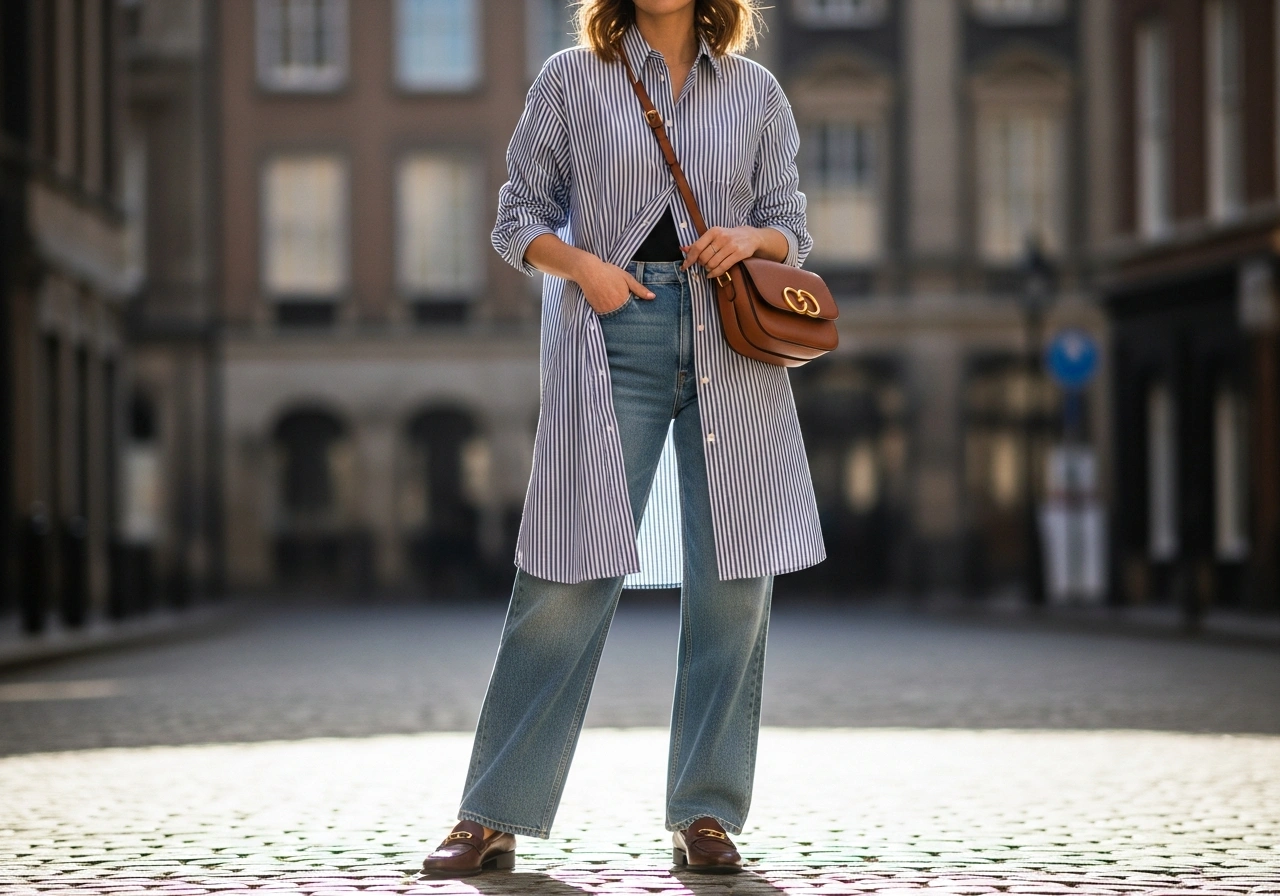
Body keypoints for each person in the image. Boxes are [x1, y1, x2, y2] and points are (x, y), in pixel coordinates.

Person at [420, 0, 825, 878]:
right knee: (566, 572)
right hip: (613, 331)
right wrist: (585, 269)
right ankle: (490, 813)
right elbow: (516, 214)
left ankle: (707, 814)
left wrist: (750, 237)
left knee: (734, 582)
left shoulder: (755, 92)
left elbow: (792, 224)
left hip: (733, 339)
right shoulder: (572, 79)